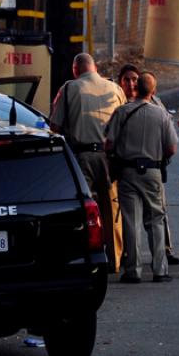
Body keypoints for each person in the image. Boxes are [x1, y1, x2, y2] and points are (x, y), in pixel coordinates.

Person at [50, 53, 128, 271]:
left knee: (82, 209)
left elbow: (54, 126)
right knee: (111, 209)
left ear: (76, 70)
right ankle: (115, 260)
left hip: (81, 157)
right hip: (109, 158)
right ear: (95, 68)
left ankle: (84, 258)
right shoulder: (115, 89)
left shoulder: (69, 89)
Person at [106, 72, 179, 283]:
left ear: (136, 88)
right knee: (156, 219)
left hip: (128, 172)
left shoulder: (121, 112)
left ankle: (133, 270)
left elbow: (109, 144)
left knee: (131, 220)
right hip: (153, 172)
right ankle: (160, 269)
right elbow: (172, 148)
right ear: (154, 92)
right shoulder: (161, 115)